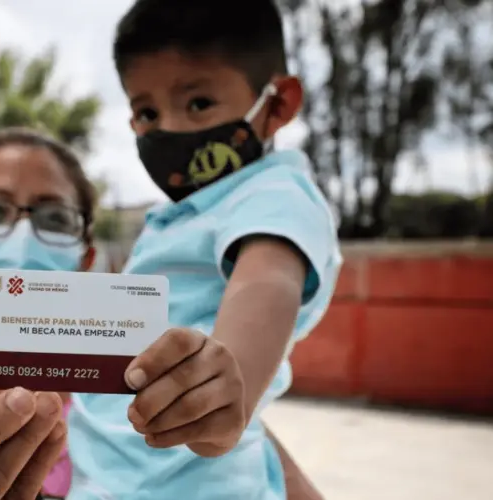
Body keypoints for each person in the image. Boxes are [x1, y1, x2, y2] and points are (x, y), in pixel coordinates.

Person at [0, 128, 324, 499]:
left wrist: (215, 411)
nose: (21, 237)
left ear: (85, 261)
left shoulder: (152, 390)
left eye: (53, 219)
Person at [64, 1, 342, 499]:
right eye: (147, 111)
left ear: (277, 105)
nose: (169, 128)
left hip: (186, 485)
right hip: (115, 474)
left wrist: (229, 382)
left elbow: (268, 280)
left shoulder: (272, 194)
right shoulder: (183, 216)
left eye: (197, 103)